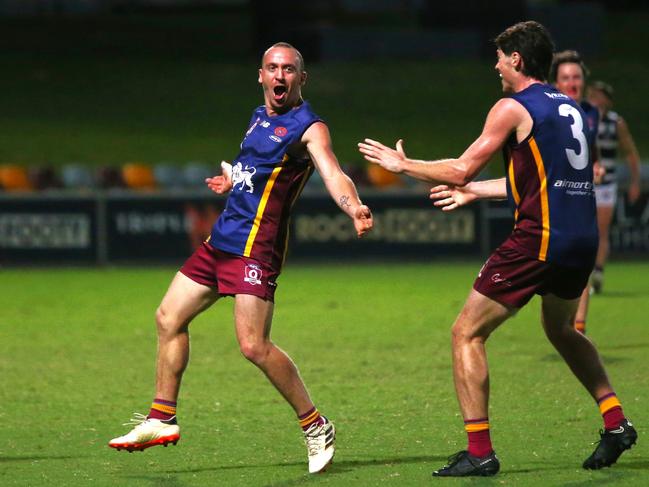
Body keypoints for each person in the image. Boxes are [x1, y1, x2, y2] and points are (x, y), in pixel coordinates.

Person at [358, 21, 637, 477]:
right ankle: (615, 421)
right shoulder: (569, 108)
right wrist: (476, 194)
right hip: (580, 240)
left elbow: (462, 168)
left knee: (466, 333)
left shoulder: (512, 106)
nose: (496, 64)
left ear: (518, 61)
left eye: (501, 56)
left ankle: (479, 450)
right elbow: (539, 182)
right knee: (563, 330)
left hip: (539, 239)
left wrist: (405, 164)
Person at [108, 42, 373, 474]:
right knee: (168, 318)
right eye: (273, 68)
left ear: (302, 78)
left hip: (256, 247)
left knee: (253, 346)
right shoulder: (258, 116)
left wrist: (354, 207)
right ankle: (162, 417)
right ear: (261, 75)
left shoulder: (309, 126)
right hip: (222, 240)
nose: (280, 76)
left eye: (289, 69)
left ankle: (316, 424)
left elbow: (331, 171)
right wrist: (233, 179)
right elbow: (257, 168)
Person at [549, 50, 599, 333]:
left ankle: (577, 326)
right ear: (556, 83)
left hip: (581, 200)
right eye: (566, 77)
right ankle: (563, 322)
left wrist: (597, 168)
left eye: (576, 76)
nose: (572, 82)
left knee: (584, 260)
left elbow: (595, 155)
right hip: (553, 200)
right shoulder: (551, 114)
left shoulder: (592, 113)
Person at [587, 80, 642, 293]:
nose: (595, 97)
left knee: (601, 231)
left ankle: (598, 273)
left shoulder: (615, 122)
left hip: (607, 184)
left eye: (600, 94)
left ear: (607, 100)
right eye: (593, 93)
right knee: (584, 230)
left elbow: (630, 152)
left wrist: (635, 181)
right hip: (584, 184)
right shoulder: (582, 116)